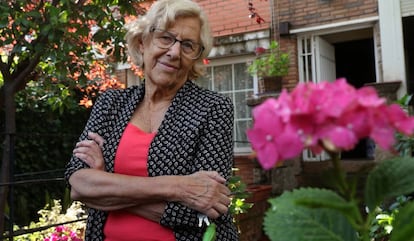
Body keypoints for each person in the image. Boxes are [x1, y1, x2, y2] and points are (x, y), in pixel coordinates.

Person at [64, 0, 239, 240]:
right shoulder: (111, 103)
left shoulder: (213, 108)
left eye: (188, 45)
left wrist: (105, 186)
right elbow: (78, 183)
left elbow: (204, 210)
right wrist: (178, 187)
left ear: (195, 58)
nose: (175, 52)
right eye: (166, 38)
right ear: (142, 43)